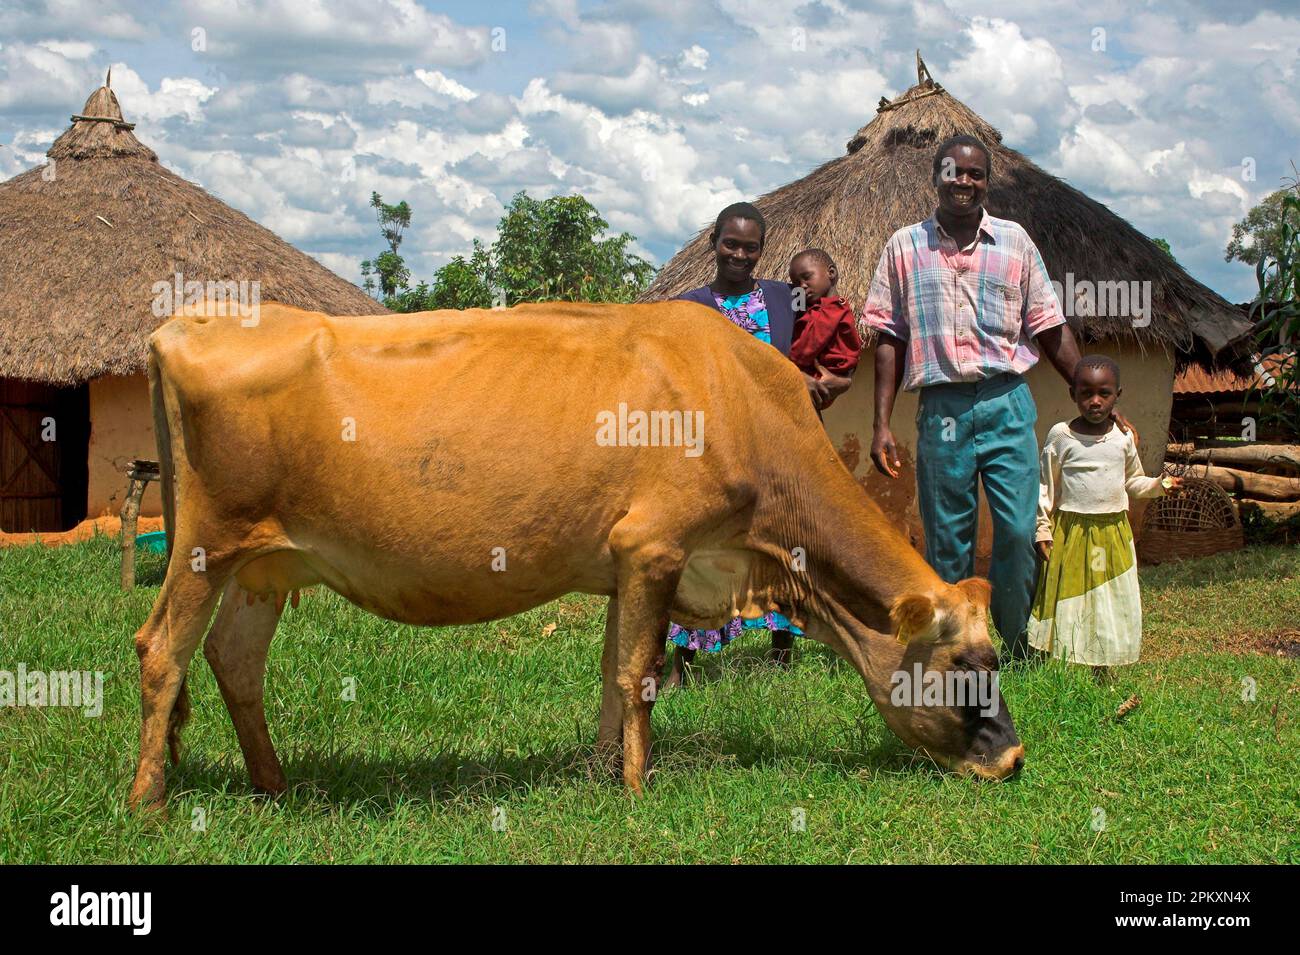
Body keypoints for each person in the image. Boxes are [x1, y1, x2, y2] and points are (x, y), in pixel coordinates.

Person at [863, 133, 1136, 661]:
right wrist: (880, 423)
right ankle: (958, 648)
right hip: (941, 406)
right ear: (936, 176)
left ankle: (1016, 644)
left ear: (987, 181)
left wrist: (1089, 392)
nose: (963, 181)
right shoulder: (904, 246)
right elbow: (889, 337)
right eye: (953, 171)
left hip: (1007, 401)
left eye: (975, 173)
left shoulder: (1015, 242)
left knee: (1017, 530)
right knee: (948, 538)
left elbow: (1049, 327)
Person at [667, 203, 851, 685]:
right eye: (731, 243)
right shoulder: (689, 307)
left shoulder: (783, 298)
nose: (740, 255)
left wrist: (836, 379)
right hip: (711, 453)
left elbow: (834, 325)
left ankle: (782, 651)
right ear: (714, 243)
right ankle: (685, 659)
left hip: (775, 449)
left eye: (751, 247)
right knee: (702, 549)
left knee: (781, 544)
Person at [1029, 356, 1178, 679]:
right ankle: (1058, 663)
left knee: (1108, 596)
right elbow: (1045, 487)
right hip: (1072, 531)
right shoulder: (1061, 436)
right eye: (1086, 393)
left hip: (1112, 532)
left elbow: (1133, 482)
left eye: (1104, 394)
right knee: (1067, 595)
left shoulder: (1123, 439)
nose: (1095, 401)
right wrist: (1042, 529)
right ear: (1072, 394)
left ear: (1117, 395)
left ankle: (1102, 665)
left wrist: (1159, 485)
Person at [789, 248, 863, 407]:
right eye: (795, 283)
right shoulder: (836, 307)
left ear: (831, 273)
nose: (801, 286)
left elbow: (805, 349)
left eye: (807, 277)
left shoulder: (829, 311)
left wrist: (787, 361)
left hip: (819, 380)